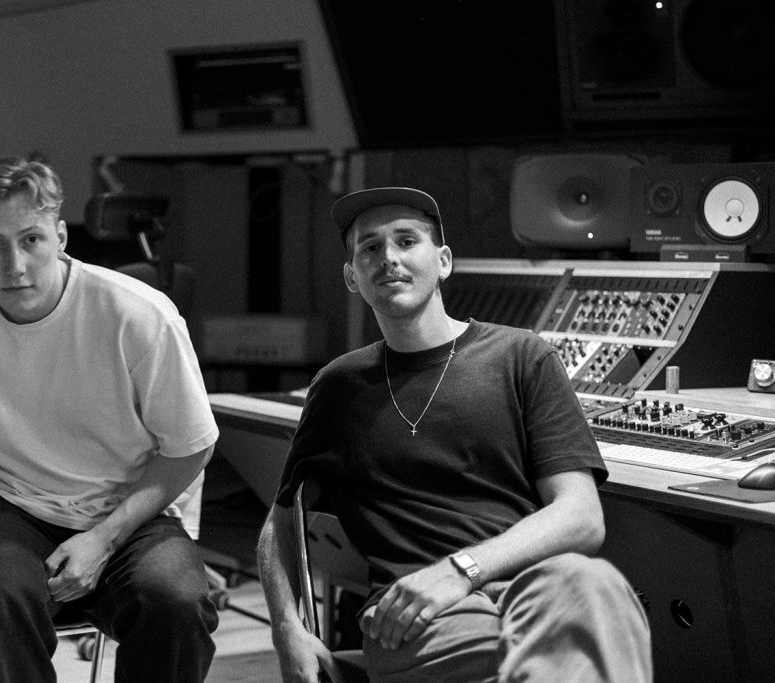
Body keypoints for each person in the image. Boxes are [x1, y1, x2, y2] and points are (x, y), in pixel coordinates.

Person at [257, 187, 652, 682]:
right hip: (413, 610)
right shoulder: (338, 386)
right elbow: (280, 524)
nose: (389, 258)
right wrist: (286, 629)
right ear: (351, 277)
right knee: (563, 657)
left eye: (406, 241)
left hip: (532, 589)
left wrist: (461, 570)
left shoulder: (523, 356)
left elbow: (581, 517)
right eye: (370, 247)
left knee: (594, 585)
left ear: (443, 261)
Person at [0, 157, 220, 682]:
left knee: (176, 603)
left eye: (31, 239)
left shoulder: (137, 314)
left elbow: (192, 446)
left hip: (133, 512)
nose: (14, 264)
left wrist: (103, 539)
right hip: (17, 506)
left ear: (60, 237)